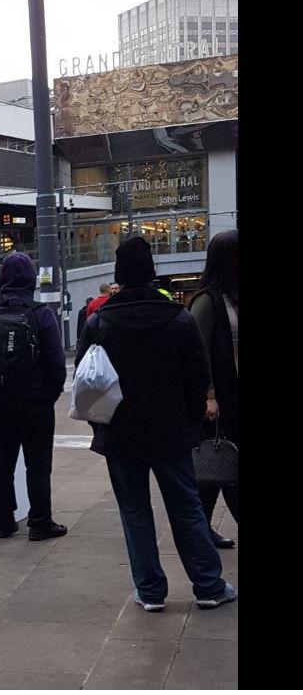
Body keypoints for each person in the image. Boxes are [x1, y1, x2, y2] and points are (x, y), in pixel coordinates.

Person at [75, 236, 235, 612]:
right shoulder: (178, 318)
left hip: (120, 434)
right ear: (151, 275)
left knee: (135, 511)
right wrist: (190, 421)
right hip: (172, 434)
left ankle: (150, 591)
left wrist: (101, 429)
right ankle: (208, 586)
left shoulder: (99, 321)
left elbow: (85, 380)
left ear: (119, 276)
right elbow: (200, 375)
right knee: (186, 508)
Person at [0, 252, 68, 541]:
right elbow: (56, 362)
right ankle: (40, 522)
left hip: (0, 400)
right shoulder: (41, 313)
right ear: (32, 279)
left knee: (2, 462)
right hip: (36, 402)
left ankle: (3, 521)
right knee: (37, 464)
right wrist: (50, 393)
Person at [188, 229, 238, 550]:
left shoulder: (234, 296)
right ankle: (198, 532)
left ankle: (200, 531)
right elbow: (197, 352)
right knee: (225, 464)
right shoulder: (206, 301)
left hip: (235, 394)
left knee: (215, 470)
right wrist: (208, 395)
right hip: (220, 400)